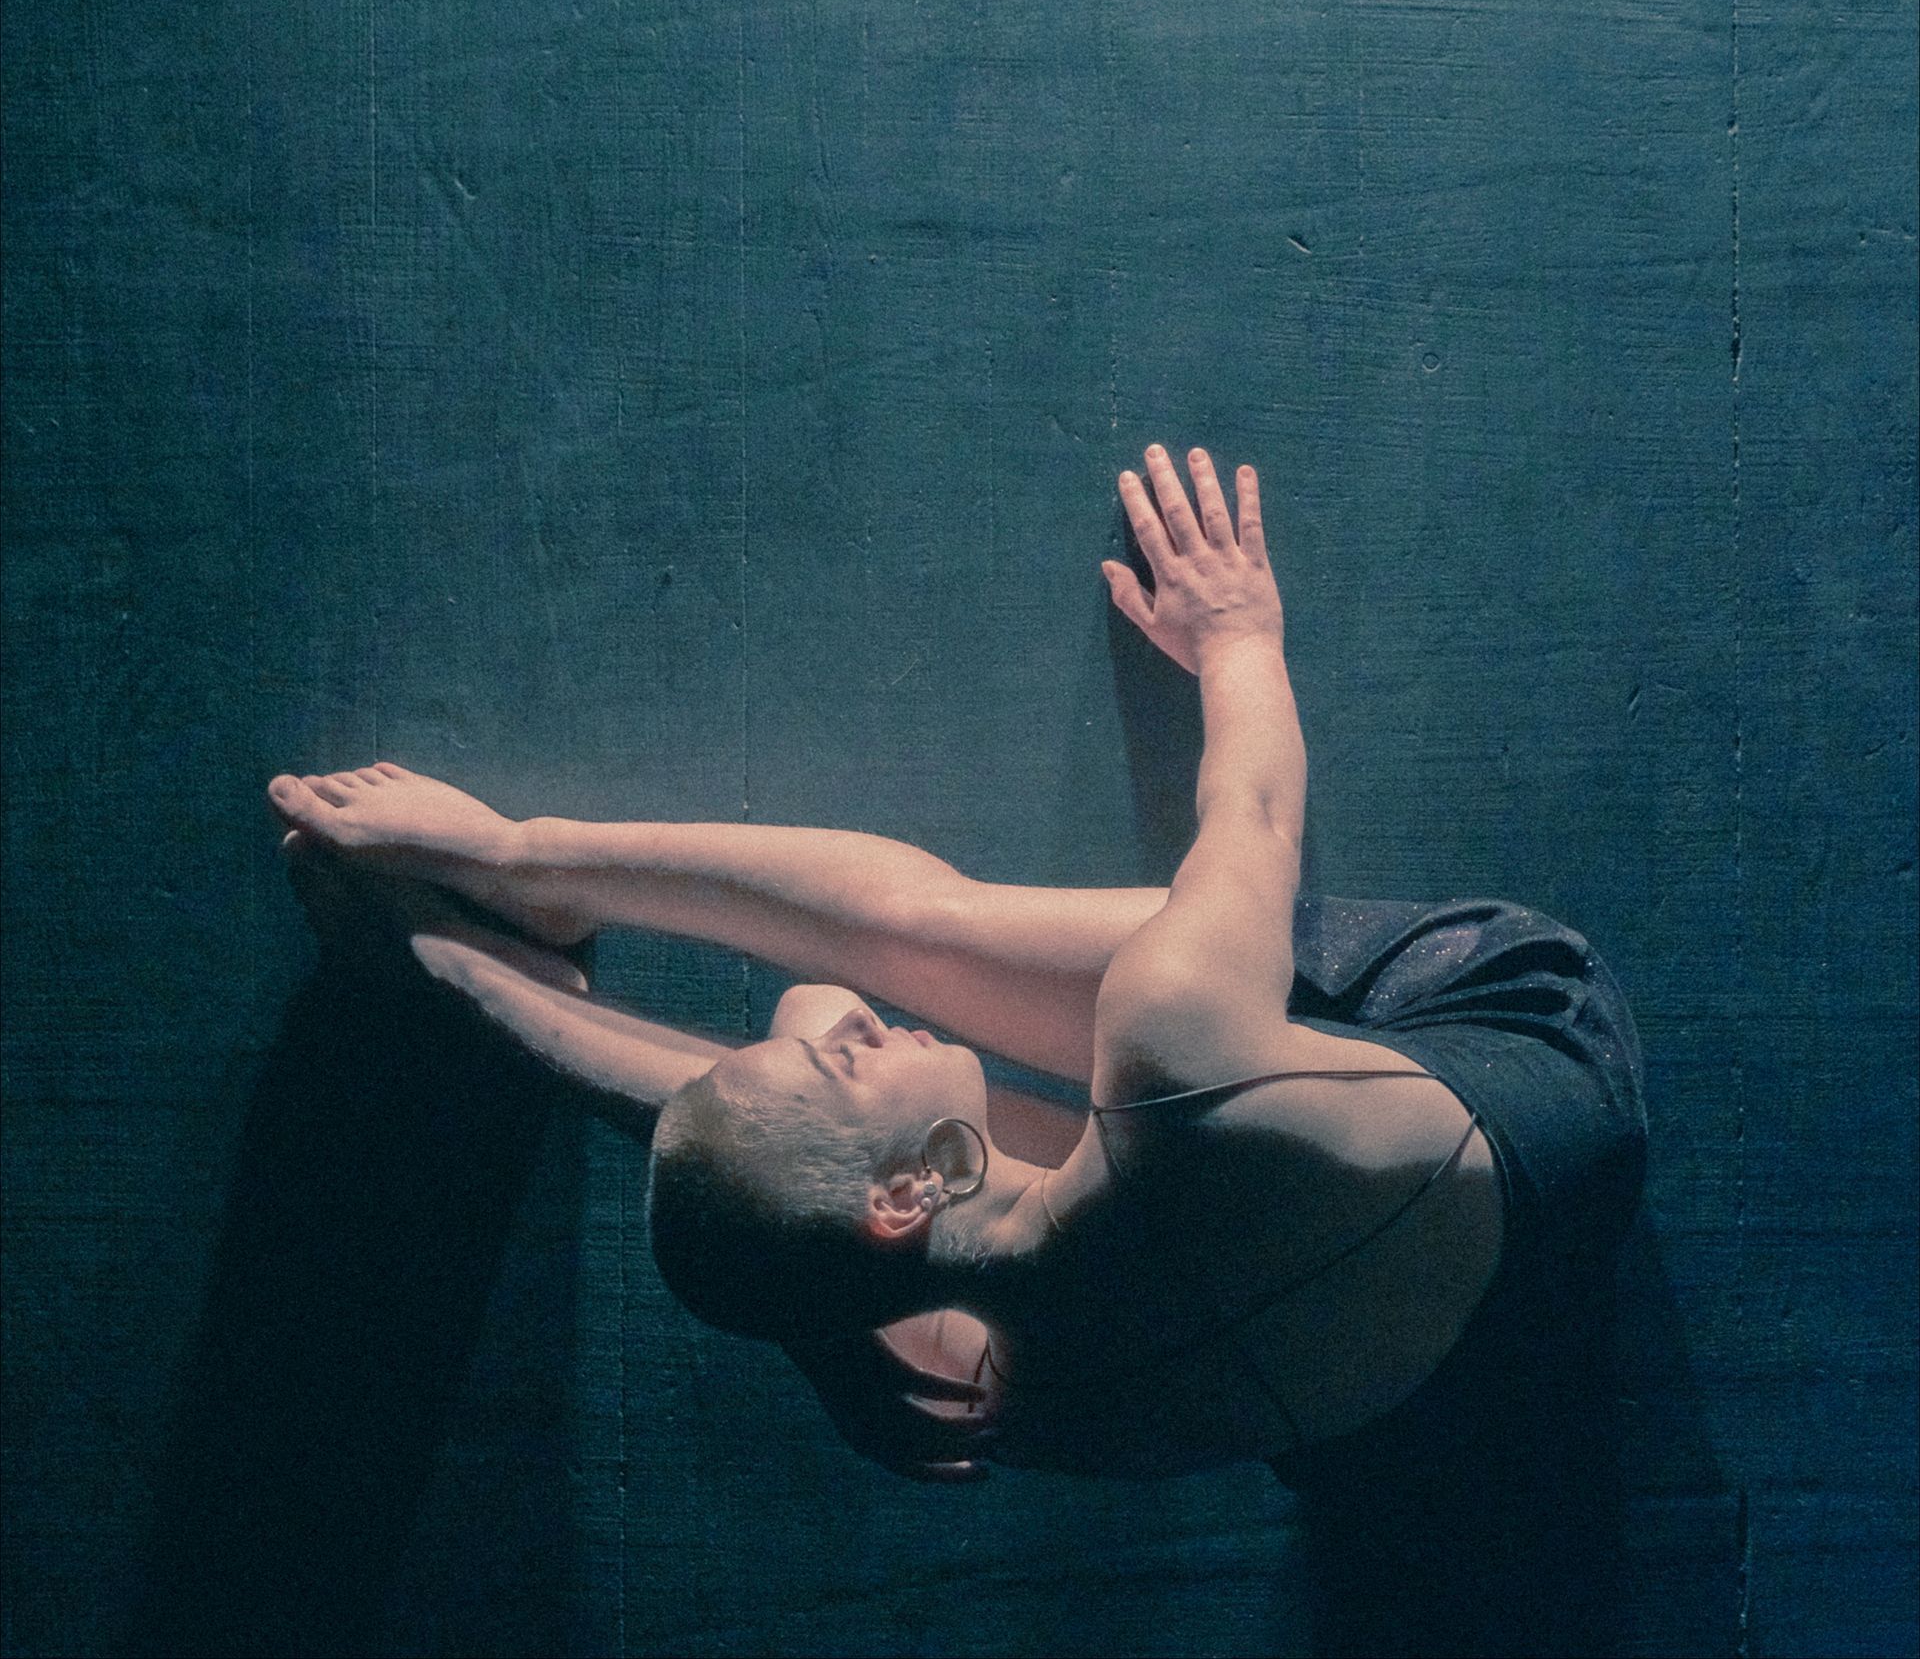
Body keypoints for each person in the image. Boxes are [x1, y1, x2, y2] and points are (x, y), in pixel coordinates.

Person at [267, 444, 1645, 1489]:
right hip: (1532, 1058)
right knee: (917, 930)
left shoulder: (984, 1399)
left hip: (1470, 1345)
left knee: (800, 1140)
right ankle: (524, 865)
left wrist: (834, 1305)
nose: (847, 1033)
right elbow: (1255, 814)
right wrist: (1237, 637)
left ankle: (476, 980)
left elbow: (807, 1207)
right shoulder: (1176, 1048)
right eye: (846, 1066)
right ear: (909, 1189)